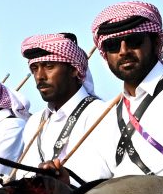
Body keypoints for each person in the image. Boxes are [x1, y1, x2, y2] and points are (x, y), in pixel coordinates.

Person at [59, 1, 163, 183]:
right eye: (113, 45)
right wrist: (62, 183)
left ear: (156, 43)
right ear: (105, 55)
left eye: (133, 41)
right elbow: (91, 181)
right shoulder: (107, 114)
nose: (123, 51)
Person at [17, 33, 106, 170]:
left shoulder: (100, 114)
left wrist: (62, 182)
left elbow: (103, 176)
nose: (40, 76)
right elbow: (24, 175)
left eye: (49, 66)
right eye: (35, 68)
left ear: (74, 70)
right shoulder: (34, 122)